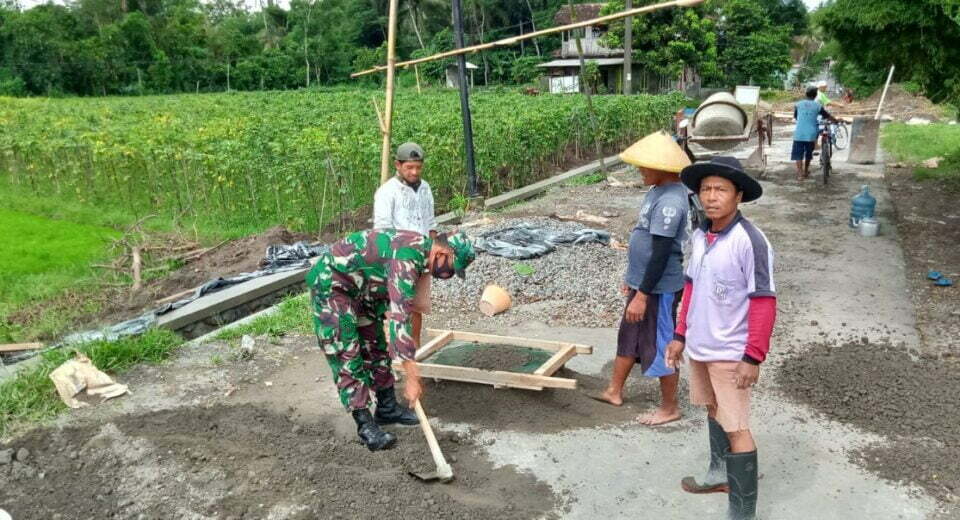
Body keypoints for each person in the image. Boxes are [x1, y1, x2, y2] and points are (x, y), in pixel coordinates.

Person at [665, 156, 777, 520]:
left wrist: (753, 357)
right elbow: (692, 288)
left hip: (731, 352)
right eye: (706, 189)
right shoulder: (700, 237)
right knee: (713, 410)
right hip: (701, 346)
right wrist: (680, 334)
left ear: (738, 196)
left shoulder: (750, 241)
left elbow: (763, 302)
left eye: (721, 190)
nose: (712, 197)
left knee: (737, 426)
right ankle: (718, 474)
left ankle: (742, 512)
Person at [307, 229, 475, 451]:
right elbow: (399, 317)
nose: (448, 274)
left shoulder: (422, 256)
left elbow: (410, 306)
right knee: (347, 349)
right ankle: (365, 424)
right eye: (452, 267)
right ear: (444, 251)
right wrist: (412, 378)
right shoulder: (407, 257)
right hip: (335, 289)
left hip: (363, 293)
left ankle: (387, 408)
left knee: (375, 345)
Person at [593, 130, 691, 426]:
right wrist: (632, 279)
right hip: (643, 284)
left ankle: (670, 406)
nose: (639, 170)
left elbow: (661, 252)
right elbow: (644, 242)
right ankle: (614, 390)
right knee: (630, 335)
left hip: (658, 290)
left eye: (644, 166)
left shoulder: (672, 201)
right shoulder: (656, 192)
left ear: (662, 167)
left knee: (662, 343)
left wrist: (644, 293)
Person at [374, 142, 437, 348]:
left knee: (417, 307)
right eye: (409, 167)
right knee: (397, 309)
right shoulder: (387, 192)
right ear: (398, 165)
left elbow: (430, 222)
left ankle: (415, 351)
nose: (414, 171)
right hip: (398, 259)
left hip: (421, 258)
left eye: (418, 167)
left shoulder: (425, 188)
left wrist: (432, 250)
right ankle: (397, 356)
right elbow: (383, 230)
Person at [792, 86, 838, 180]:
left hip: (799, 133)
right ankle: (805, 171)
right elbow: (827, 116)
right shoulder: (817, 106)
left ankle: (800, 175)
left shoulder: (798, 104)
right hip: (811, 134)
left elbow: (796, 117)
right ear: (816, 95)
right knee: (808, 153)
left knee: (798, 154)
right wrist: (836, 121)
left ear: (806, 94)